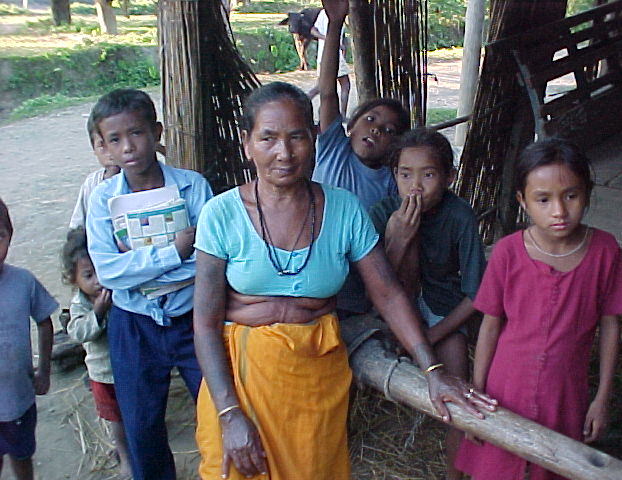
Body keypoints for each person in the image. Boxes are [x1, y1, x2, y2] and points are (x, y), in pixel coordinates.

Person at [192, 81, 496, 480]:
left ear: (314, 139)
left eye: (297, 137)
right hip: (243, 380)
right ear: (247, 143)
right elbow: (205, 323)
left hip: (316, 376)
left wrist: (432, 370)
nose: (284, 153)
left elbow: (387, 294)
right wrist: (229, 413)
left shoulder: (343, 209)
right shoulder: (221, 214)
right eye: (268, 138)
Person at [455, 138, 622, 480]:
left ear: (588, 193)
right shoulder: (508, 252)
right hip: (504, 388)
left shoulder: (604, 250)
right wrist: (476, 392)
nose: (559, 211)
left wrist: (602, 398)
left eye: (571, 195)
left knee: (554, 467)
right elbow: (490, 325)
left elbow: (611, 326)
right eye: (543, 199)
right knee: (496, 466)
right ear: (522, 201)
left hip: (564, 393)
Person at [85, 88, 214, 480]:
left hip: (192, 317)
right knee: (141, 426)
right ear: (103, 147)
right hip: (133, 323)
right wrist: (174, 251)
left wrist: (137, 264)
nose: (128, 147)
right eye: (115, 139)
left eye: (137, 133)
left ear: (157, 132)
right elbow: (108, 272)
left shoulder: (193, 187)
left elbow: (207, 263)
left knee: (215, 408)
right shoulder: (102, 200)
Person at [369, 127, 486, 480]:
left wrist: (435, 335)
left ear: (449, 177)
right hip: (392, 308)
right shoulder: (383, 211)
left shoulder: (459, 216)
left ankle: (454, 474)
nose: (415, 186)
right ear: (394, 176)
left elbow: (476, 295)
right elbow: (376, 287)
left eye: (429, 174)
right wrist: (398, 239)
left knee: (459, 392)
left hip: (444, 311)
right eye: (405, 175)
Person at [312, 0, 412, 319]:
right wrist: (335, 23)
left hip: (355, 283)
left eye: (388, 130)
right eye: (370, 120)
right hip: (310, 264)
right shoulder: (332, 147)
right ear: (351, 125)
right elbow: (328, 92)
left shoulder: (391, 183)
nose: (376, 131)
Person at [62, 227, 131, 478]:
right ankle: (124, 455)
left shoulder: (118, 290)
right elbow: (78, 332)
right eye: (88, 275)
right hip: (102, 374)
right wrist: (98, 313)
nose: (97, 281)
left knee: (136, 412)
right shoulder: (81, 303)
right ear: (73, 279)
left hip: (129, 367)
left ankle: (135, 445)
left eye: (100, 270)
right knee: (115, 420)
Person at [0, 198, 57, 480]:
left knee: (22, 456)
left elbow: (45, 323)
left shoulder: (23, 282)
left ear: (9, 236)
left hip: (18, 397)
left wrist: (44, 371)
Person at [306, 8, 351, 117]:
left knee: (320, 86)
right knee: (345, 85)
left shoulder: (323, 12)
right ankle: (343, 115)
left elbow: (313, 30)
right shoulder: (338, 12)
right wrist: (331, 40)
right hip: (334, 54)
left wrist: (325, 39)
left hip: (322, 55)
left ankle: (304, 102)